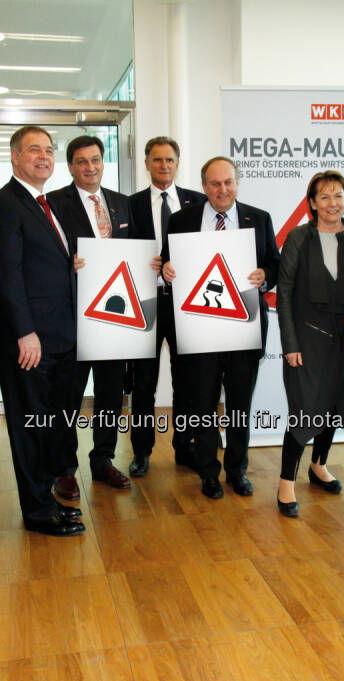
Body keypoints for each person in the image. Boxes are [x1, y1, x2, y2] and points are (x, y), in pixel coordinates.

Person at [0, 125, 84, 537]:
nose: (43, 157)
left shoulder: (45, 203)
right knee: (29, 428)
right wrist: (25, 332)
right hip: (30, 342)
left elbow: (43, 263)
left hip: (59, 337)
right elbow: (7, 272)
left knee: (51, 425)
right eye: (33, 150)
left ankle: (47, 500)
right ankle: (38, 513)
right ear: (15, 156)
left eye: (48, 150)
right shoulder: (3, 204)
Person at [161, 156, 281, 499]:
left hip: (244, 328)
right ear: (204, 186)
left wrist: (265, 277)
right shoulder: (182, 220)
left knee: (240, 404)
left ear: (237, 183)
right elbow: (168, 261)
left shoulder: (258, 218)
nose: (222, 189)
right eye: (215, 183)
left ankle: (236, 471)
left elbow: (274, 263)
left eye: (228, 182)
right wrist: (167, 269)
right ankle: (208, 472)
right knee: (202, 403)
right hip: (200, 329)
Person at [275, 171, 344, 517]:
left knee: (333, 404)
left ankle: (318, 465)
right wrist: (289, 342)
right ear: (312, 203)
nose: (333, 203)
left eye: (339, 195)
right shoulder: (299, 238)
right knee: (304, 408)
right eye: (325, 197)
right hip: (307, 338)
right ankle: (286, 481)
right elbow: (283, 292)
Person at [48, 135, 137, 495]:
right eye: (82, 161)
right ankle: (64, 469)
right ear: (70, 167)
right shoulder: (53, 204)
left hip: (115, 316)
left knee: (110, 394)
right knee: (68, 395)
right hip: (73, 317)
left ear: (103, 162)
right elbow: (48, 257)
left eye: (95, 160)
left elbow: (135, 250)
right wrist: (66, 265)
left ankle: (102, 460)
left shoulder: (121, 203)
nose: (90, 167)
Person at [127, 136, 205, 476]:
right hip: (145, 302)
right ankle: (142, 451)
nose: (163, 165)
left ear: (177, 162)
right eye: (156, 159)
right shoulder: (129, 205)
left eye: (169, 160)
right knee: (143, 383)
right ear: (146, 164)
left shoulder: (198, 202)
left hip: (185, 304)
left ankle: (184, 445)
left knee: (185, 379)